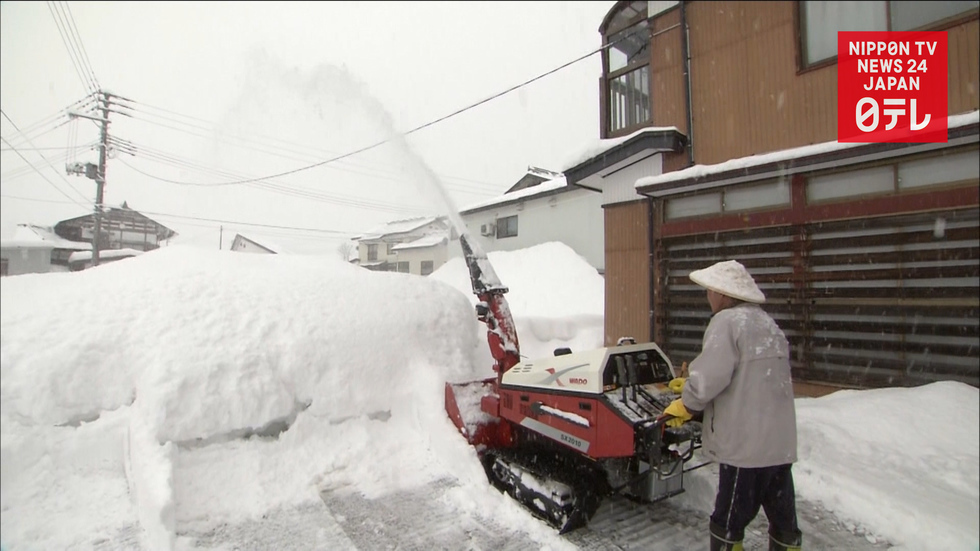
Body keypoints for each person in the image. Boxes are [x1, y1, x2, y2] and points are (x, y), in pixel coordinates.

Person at [663, 260, 802, 551]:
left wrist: (685, 404)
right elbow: (750, 380)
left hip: (745, 450)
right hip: (779, 447)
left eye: (710, 291)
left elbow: (711, 377)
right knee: (784, 523)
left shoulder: (726, 322)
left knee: (727, 523)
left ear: (724, 294)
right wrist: (690, 383)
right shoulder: (767, 323)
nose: (708, 297)